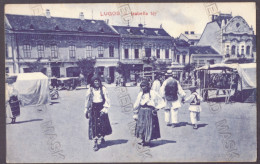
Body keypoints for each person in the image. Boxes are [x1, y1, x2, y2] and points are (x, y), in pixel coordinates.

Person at [84, 75, 112, 151]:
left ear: (100, 82)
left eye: (98, 81)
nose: (96, 83)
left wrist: (105, 108)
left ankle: (102, 137)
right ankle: (95, 143)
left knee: (103, 124)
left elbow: (107, 99)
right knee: (94, 125)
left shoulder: (103, 89)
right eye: (95, 81)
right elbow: (87, 100)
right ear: (92, 82)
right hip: (93, 109)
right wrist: (86, 109)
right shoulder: (90, 90)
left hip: (101, 107)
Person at [133, 79, 165, 147]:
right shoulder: (140, 94)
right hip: (142, 111)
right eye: (141, 86)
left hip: (150, 111)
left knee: (149, 126)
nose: (142, 87)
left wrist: (157, 108)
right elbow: (137, 104)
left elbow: (161, 101)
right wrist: (135, 112)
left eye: (144, 86)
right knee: (141, 126)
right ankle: (143, 139)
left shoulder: (153, 93)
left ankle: (147, 141)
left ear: (148, 86)